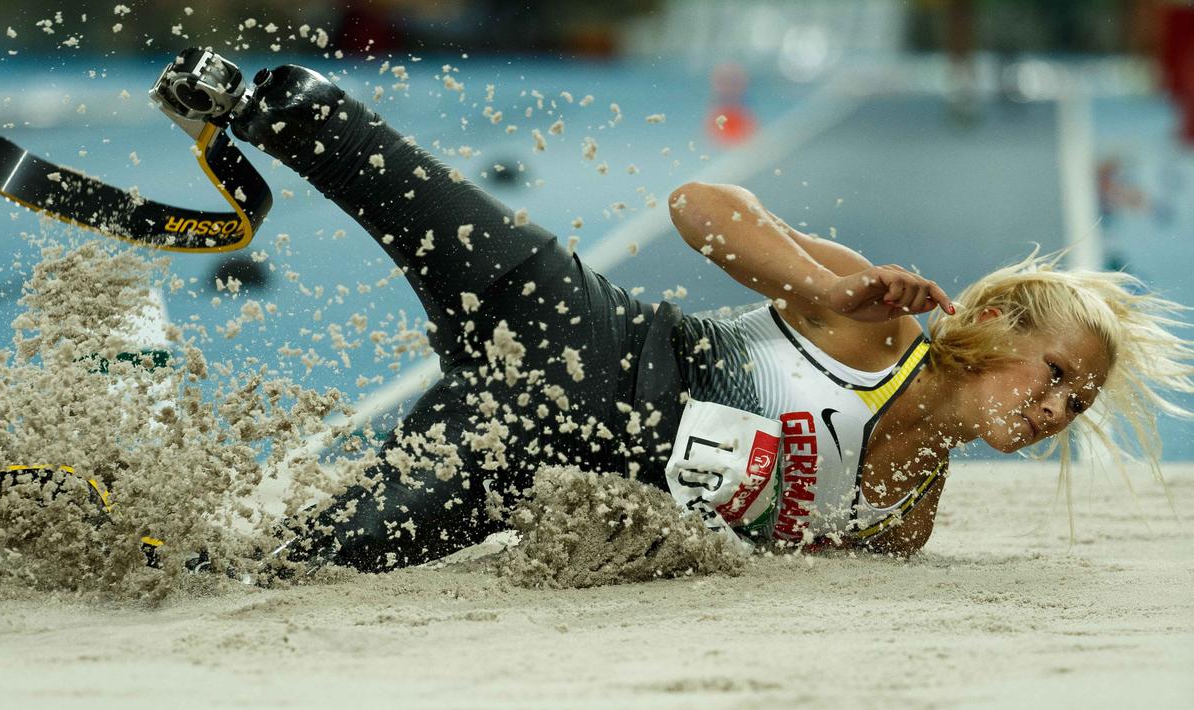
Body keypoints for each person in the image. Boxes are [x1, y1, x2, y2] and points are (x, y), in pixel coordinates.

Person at [231, 64, 1193, 574]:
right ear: (990, 324)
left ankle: (125, 529)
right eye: (1056, 372)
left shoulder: (903, 524)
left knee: (300, 564)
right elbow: (699, 205)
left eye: (1080, 400)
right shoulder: (874, 325)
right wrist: (819, 291)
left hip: (520, 459)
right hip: (578, 332)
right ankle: (237, 97)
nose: (1061, 407)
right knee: (377, 166)